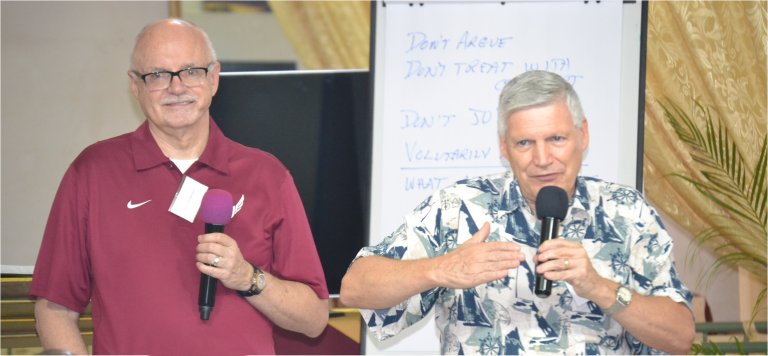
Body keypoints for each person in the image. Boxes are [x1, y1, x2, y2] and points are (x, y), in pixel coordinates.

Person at [340, 70, 695, 354]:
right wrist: (440, 269)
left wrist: (598, 286)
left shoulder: (626, 212)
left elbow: (679, 336)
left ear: (582, 135)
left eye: (556, 139)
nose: (542, 159)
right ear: (503, 148)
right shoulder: (457, 207)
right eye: (524, 143)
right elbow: (355, 287)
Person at [30, 18, 329, 355]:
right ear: (135, 85)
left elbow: (314, 319)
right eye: (157, 75)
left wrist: (247, 277)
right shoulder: (92, 173)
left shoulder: (268, 176)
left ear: (213, 78)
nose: (176, 87)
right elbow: (55, 308)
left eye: (191, 71)